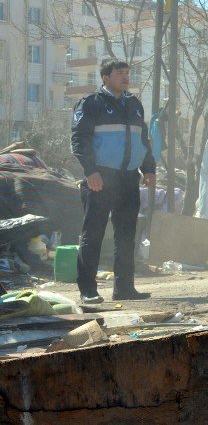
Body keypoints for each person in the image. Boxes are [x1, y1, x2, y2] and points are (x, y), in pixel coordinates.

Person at [71, 58, 156, 303]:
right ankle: (88, 291)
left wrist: (148, 169)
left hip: (128, 179)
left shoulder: (134, 105)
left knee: (127, 235)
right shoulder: (91, 103)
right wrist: (90, 171)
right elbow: (79, 140)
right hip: (100, 178)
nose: (126, 77)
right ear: (106, 78)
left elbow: (144, 141)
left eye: (128, 73)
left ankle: (124, 289)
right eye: (120, 73)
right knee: (93, 234)